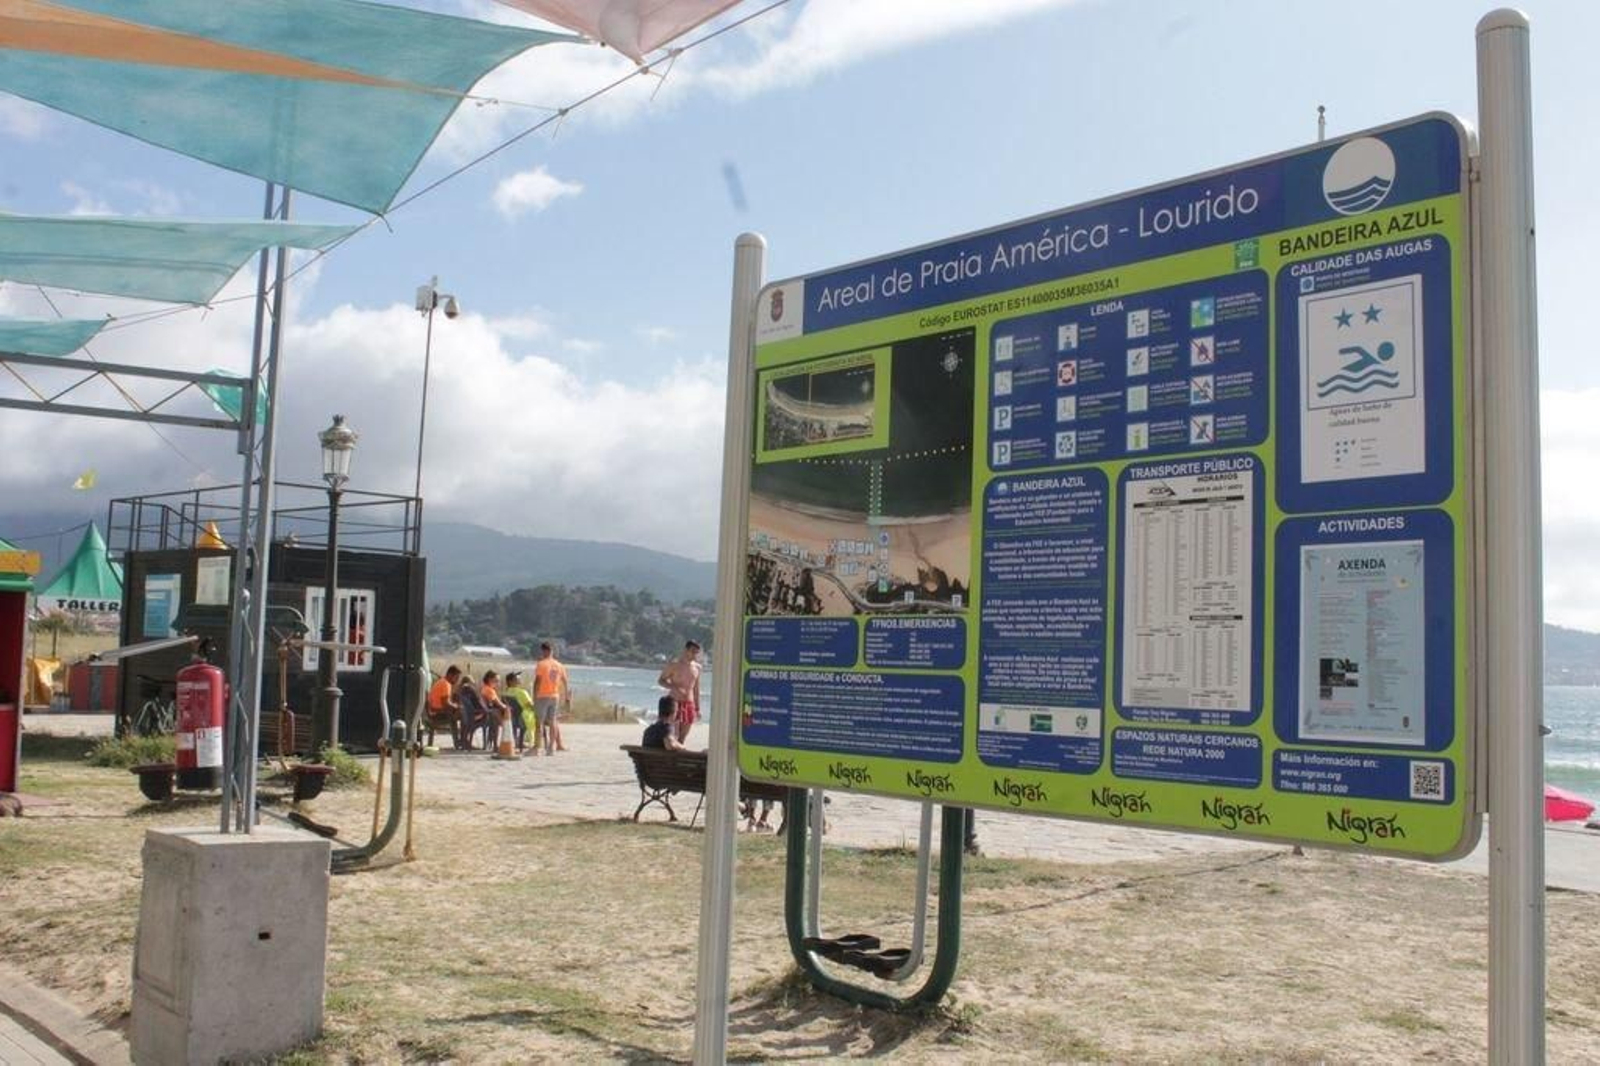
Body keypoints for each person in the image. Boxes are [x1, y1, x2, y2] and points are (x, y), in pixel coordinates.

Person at [657, 639, 703, 743]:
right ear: (685, 650)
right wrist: (673, 687)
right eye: (692, 651)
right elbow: (661, 680)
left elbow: (696, 689)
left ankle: (676, 758)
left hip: (689, 703)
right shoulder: (674, 664)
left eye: (696, 653)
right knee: (673, 735)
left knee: (682, 738)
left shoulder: (697, 667)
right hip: (674, 702)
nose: (694, 655)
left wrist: (697, 708)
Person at [532, 642, 570, 755]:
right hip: (554, 695)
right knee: (553, 721)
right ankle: (551, 747)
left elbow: (537, 681)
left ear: (544, 651)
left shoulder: (541, 664)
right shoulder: (559, 665)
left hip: (542, 695)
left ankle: (536, 747)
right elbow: (565, 681)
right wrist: (566, 696)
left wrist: (534, 695)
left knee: (539, 722)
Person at [425, 665, 462, 748]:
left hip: (434, 711)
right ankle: (460, 741)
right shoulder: (446, 684)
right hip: (436, 713)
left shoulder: (442, 682)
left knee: (458, 713)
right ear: (450, 675)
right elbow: (446, 704)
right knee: (461, 713)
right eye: (456, 677)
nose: (457, 680)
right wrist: (456, 706)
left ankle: (459, 740)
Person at [503, 671, 536, 754]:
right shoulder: (522, 692)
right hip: (523, 718)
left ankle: (519, 741)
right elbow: (531, 706)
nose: (519, 679)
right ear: (511, 681)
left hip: (512, 718)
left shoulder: (505, 692)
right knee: (539, 716)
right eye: (517, 678)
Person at [480, 670, 514, 751]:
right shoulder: (490, 690)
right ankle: (505, 742)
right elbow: (499, 704)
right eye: (496, 681)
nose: (497, 683)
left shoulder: (484, 688)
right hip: (490, 714)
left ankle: (495, 744)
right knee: (505, 719)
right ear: (489, 680)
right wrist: (508, 708)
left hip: (488, 712)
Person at [456, 677, 487, 752]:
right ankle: (492, 745)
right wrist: (486, 709)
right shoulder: (471, 690)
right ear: (470, 683)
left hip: (464, 715)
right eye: (473, 683)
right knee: (489, 715)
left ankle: (464, 740)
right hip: (474, 715)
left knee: (466, 721)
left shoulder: (458, 691)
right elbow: (479, 703)